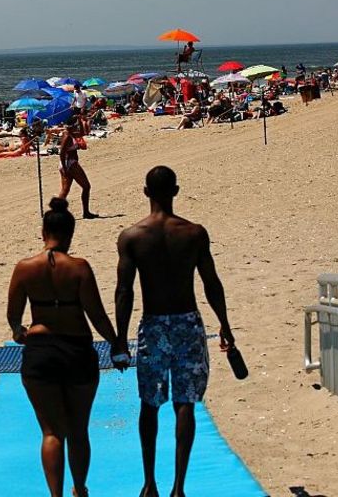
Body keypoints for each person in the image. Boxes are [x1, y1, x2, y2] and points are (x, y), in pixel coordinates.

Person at [113, 166, 238, 497]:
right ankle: (179, 488)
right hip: (187, 322)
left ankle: (149, 483)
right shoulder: (194, 233)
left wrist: (119, 340)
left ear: (145, 192)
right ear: (177, 191)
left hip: (153, 324)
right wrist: (224, 325)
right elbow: (211, 283)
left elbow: (124, 291)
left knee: (149, 403)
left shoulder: (132, 237)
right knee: (185, 403)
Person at [7, 197, 120, 497]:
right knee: (78, 430)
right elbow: (97, 315)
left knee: (51, 431)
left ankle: (55, 495)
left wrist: (20, 333)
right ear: (70, 235)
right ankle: (79, 490)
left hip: (40, 353)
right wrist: (117, 343)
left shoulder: (24, 268)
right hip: (77, 351)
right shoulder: (80, 268)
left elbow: (13, 317)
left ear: (43, 233)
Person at [58, 119, 98, 219]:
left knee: (65, 190)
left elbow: (83, 132)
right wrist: (65, 167)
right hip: (70, 163)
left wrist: (80, 119)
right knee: (86, 186)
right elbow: (62, 152)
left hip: (67, 163)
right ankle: (86, 212)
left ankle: (56, 213)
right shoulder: (67, 136)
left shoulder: (71, 134)